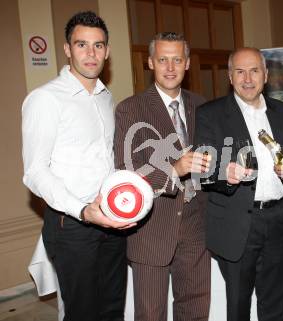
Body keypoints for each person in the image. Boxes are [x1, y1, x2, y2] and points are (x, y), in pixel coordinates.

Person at [22, 11, 133, 321]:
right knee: (83, 313)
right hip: (72, 225)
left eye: (98, 46)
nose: (90, 53)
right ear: (68, 49)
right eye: (82, 45)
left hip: (111, 220)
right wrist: (84, 210)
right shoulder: (45, 99)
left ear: (107, 52)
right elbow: (35, 171)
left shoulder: (105, 99)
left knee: (112, 309)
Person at [195, 47, 283, 321]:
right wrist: (223, 172)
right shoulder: (211, 113)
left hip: (279, 219)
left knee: (276, 305)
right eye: (239, 71)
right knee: (238, 307)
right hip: (237, 223)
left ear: (265, 75)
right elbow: (202, 170)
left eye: (254, 70)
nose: (247, 78)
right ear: (230, 77)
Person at [113, 32, 211, 321]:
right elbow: (126, 171)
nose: (170, 67)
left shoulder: (201, 104)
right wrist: (173, 170)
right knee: (151, 314)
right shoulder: (130, 109)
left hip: (195, 224)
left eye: (177, 60)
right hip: (153, 227)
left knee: (195, 308)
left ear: (188, 63)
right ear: (150, 63)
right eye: (163, 60)